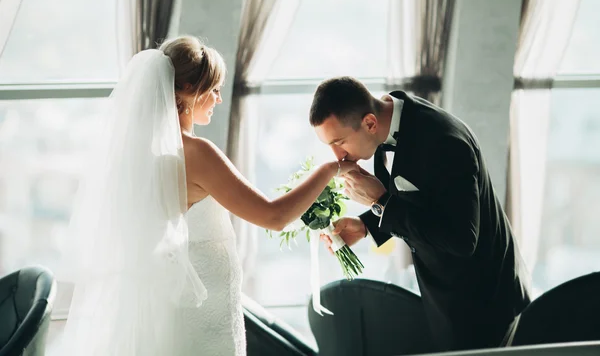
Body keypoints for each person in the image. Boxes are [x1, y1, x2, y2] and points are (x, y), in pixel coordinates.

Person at [60, 36, 357, 356]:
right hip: (201, 313)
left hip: (172, 306)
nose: (218, 99)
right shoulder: (196, 154)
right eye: (213, 89)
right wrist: (330, 169)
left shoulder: (138, 153)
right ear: (187, 90)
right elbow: (273, 217)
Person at [313, 76, 530, 352]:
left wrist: (380, 203)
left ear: (369, 123)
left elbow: (461, 239)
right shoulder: (382, 131)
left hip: (486, 303)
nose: (337, 155)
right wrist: (367, 225)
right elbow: (422, 205)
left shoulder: (445, 141)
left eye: (339, 142)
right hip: (445, 304)